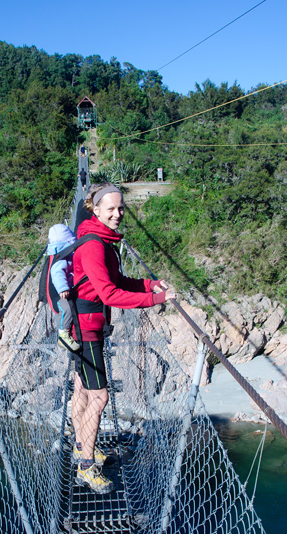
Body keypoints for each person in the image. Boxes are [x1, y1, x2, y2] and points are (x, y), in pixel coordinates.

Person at [69, 183, 175, 493]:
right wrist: (157, 300)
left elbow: (115, 280)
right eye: (111, 209)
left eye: (121, 208)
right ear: (96, 210)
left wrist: (147, 285)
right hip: (87, 327)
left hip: (85, 323)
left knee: (83, 389)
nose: (118, 214)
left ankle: (80, 446)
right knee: (99, 397)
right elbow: (110, 293)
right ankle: (86, 467)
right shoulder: (93, 244)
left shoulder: (102, 239)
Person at [46, 224, 80, 352]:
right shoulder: (61, 257)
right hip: (61, 294)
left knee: (71, 308)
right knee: (67, 309)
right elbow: (57, 273)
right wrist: (63, 288)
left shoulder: (65, 254)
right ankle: (63, 335)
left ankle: (68, 332)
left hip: (69, 289)